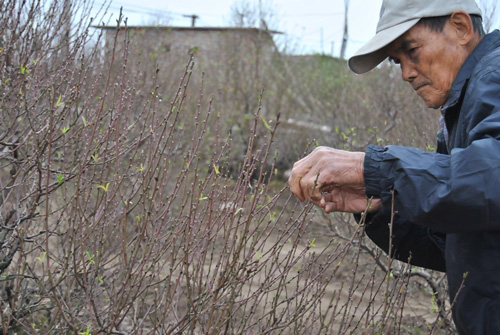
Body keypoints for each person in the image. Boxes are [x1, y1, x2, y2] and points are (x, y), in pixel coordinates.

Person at [288, 0, 500, 333]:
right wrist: (383, 208)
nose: (405, 73)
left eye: (411, 50)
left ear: (460, 27)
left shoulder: (495, 76)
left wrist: (374, 169)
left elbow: (494, 178)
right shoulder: (463, 105)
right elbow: (462, 243)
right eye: (396, 61)